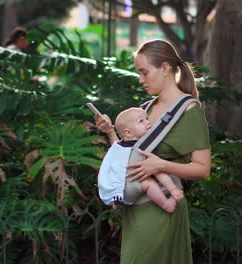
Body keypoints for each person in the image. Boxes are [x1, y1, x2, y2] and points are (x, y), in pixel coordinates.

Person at [95, 39, 211, 263]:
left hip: (162, 209)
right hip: (136, 209)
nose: (141, 80)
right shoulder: (146, 109)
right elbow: (129, 156)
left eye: (144, 72)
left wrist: (161, 165)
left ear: (165, 68)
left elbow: (203, 169)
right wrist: (110, 132)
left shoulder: (189, 111)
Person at [99, 107, 184, 213]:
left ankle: (117, 202)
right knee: (149, 183)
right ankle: (167, 205)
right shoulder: (143, 149)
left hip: (117, 192)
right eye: (141, 121)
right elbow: (157, 170)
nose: (148, 123)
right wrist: (173, 189)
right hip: (131, 189)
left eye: (146, 118)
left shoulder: (118, 147)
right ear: (129, 133)